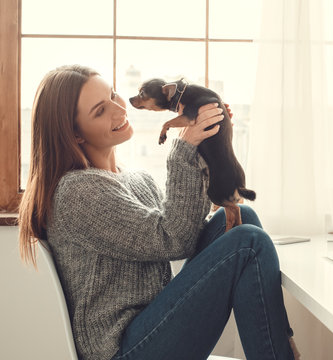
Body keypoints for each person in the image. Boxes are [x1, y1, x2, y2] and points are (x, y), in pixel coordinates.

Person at [18, 65, 300, 360]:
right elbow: (174, 240)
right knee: (249, 243)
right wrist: (185, 148)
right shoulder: (78, 191)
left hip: (153, 322)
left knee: (242, 219)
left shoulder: (133, 178)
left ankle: (278, 348)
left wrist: (206, 139)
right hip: (124, 348)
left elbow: (186, 229)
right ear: (74, 134)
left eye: (113, 95)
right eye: (101, 110)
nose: (120, 108)